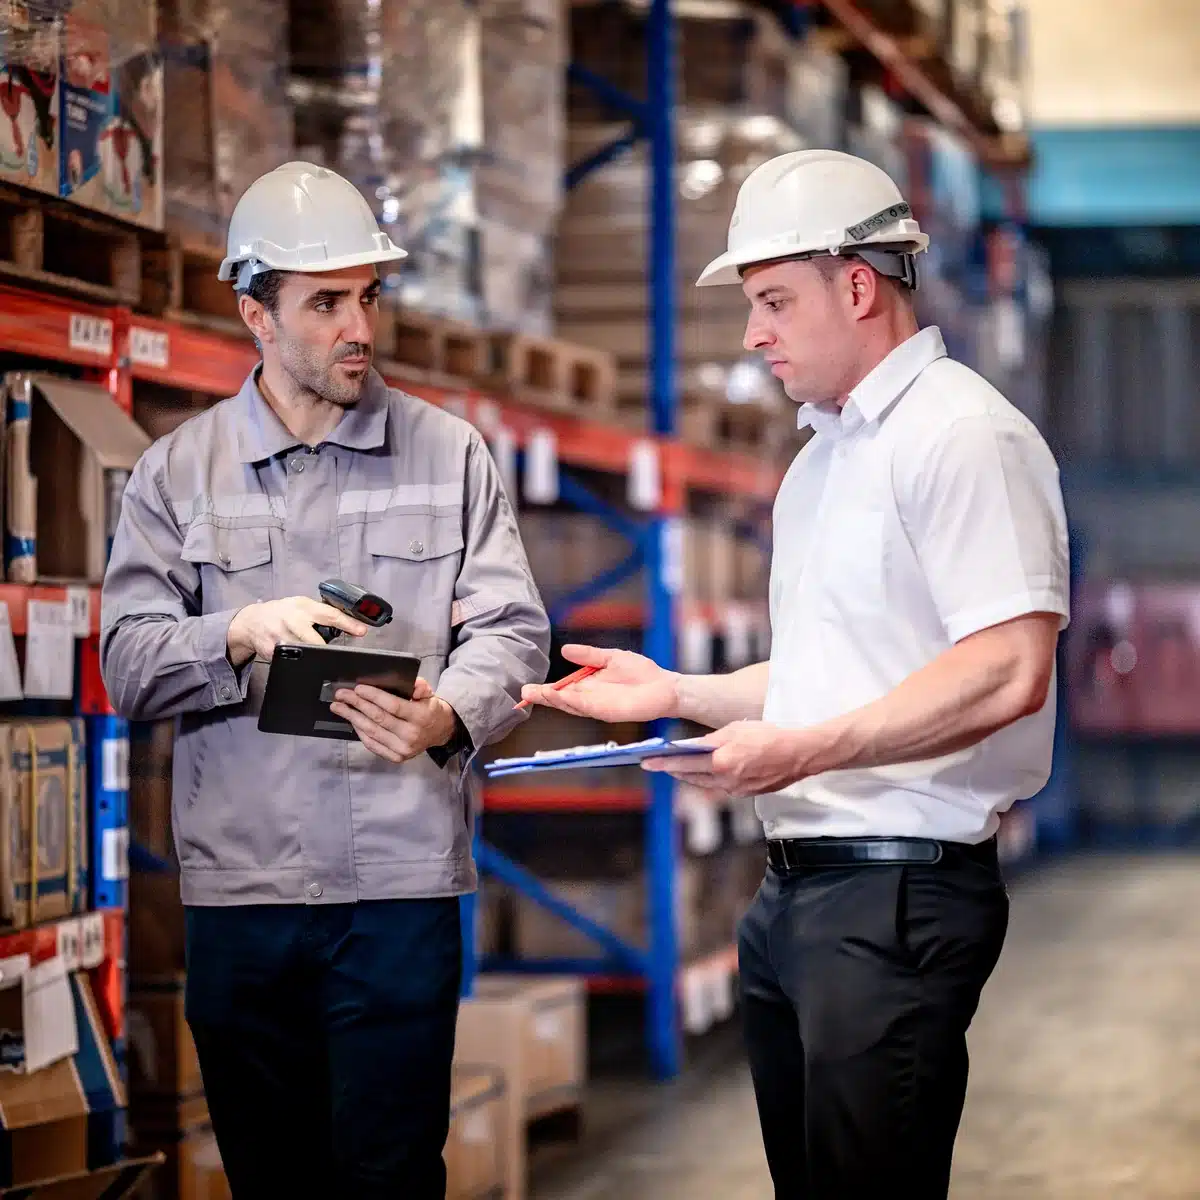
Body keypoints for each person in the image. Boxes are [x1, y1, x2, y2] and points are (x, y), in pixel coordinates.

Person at [520, 149, 1069, 1198]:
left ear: (857, 285)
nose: (753, 333)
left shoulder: (962, 436)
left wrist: (802, 753)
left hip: (896, 895)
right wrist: (676, 693)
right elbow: (834, 673)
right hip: (800, 898)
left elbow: (1007, 669)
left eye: (772, 299)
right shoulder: (824, 462)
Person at [100, 162, 550, 1198]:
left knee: (392, 1176)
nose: (360, 327)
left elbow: (516, 631)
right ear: (255, 313)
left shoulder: (449, 455)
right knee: (273, 1180)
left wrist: (447, 712)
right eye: (327, 303)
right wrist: (240, 632)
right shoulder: (176, 473)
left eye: (369, 298)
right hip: (243, 897)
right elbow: (127, 662)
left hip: (397, 888)